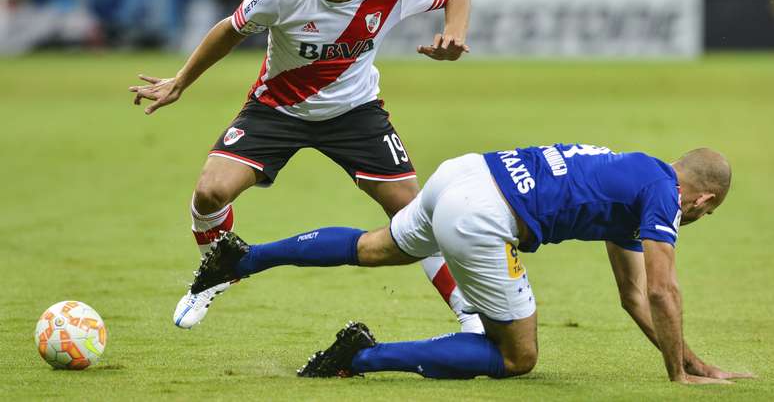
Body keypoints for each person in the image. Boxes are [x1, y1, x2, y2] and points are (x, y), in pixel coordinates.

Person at [128, 0, 477, 331]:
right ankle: (216, 271)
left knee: (415, 214)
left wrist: (455, 33)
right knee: (209, 192)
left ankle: (470, 316)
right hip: (277, 107)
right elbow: (229, 29)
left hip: (355, 112)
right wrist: (182, 81)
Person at [189, 144, 754, 384]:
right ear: (703, 200)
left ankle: (244, 258)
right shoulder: (663, 200)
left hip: (465, 173)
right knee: (519, 356)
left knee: (373, 246)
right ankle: (357, 358)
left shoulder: (637, 175)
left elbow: (633, 297)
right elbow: (662, 292)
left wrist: (691, 360)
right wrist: (677, 375)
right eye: (708, 212)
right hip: (485, 213)